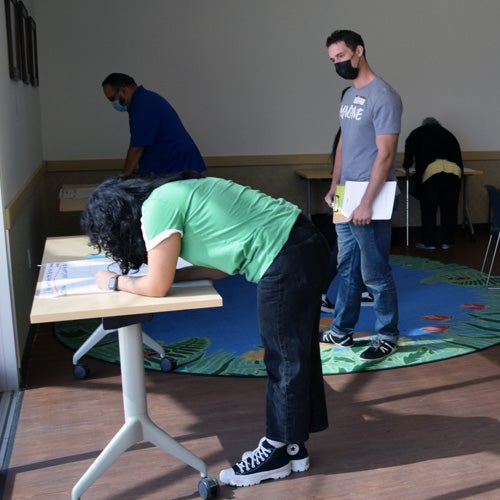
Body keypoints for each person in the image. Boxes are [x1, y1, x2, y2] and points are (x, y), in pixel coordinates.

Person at [80, 171, 330, 487]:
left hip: (285, 258)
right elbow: (220, 266)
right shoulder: (174, 193)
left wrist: (114, 282)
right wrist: (173, 276)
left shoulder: (156, 208)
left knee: (283, 360)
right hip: (305, 244)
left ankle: (275, 453)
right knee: (296, 353)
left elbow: (156, 287)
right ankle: (293, 447)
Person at [320, 29, 402, 362]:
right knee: (347, 266)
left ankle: (387, 334)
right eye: (332, 60)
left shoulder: (384, 96)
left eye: (340, 56)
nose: (337, 64)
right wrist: (334, 184)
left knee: (375, 271)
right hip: (346, 193)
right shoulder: (348, 95)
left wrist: (367, 201)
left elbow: (386, 153)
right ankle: (342, 330)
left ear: (359, 51)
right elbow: (344, 143)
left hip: (370, 195)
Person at [321, 86, 373, 313]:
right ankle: (320, 291)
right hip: (347, 194)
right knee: (345, 251)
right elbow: (341, 165)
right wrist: (335, 189)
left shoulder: (354, 128)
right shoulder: (348, 130)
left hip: (349, 193)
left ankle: (359, 290)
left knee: (357, 247)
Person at [101, 73, 206, 176]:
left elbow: (137, 147)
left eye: (112, 98)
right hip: (174, 166)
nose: (113, 103)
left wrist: (123, 178)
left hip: (177, 168)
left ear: (124, 90)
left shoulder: (142, 104)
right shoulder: (145, 99)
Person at [402, 117, 463, 250]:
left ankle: (429, 243)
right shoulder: (448, 133)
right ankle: (447, 242)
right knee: (449, 209)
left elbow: (409, 148)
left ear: (424, 124)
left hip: (432, 172)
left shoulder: (418, 132)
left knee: (429, 208)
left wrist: (407, 165)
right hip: (454, 172)